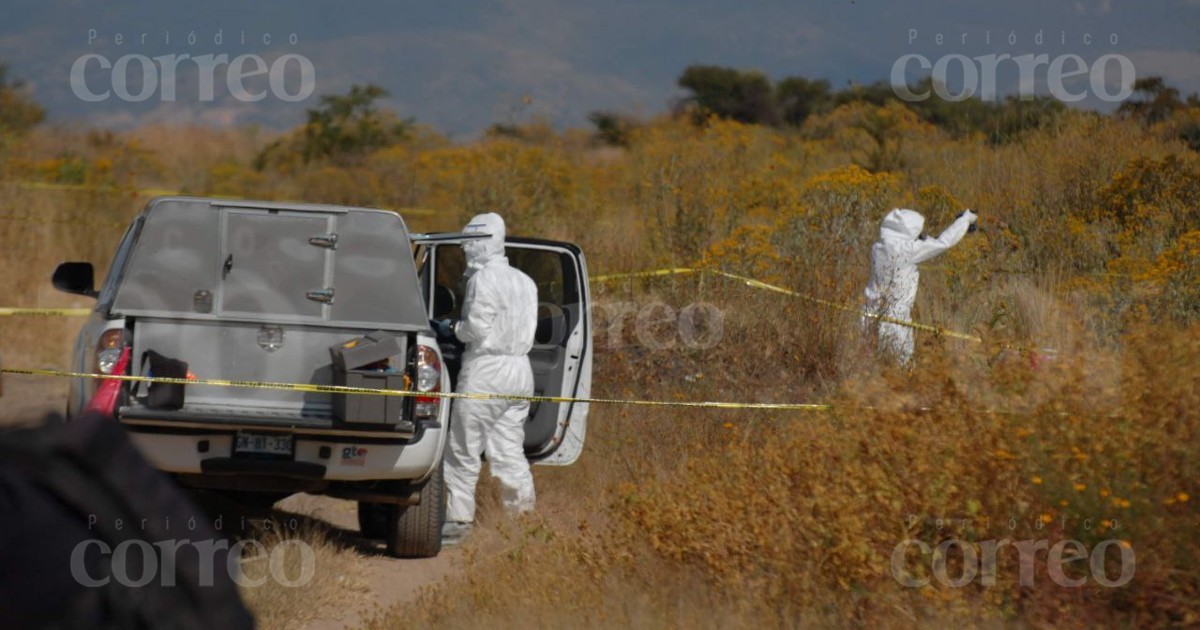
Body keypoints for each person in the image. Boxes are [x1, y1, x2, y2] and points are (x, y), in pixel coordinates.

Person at [433, 213, 539, 546]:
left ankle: (457, 521)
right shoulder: (525, 281)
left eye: (468, 244)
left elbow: (476, 329)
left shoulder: (484, 280)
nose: (466, 251)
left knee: (462, 450)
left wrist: (451, 329)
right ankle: (522, 525)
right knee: (509, 452)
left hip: (487, 371)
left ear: (480, 243)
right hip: (521, 372)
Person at [863, 208, 977, 364]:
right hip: (896, 322)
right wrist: (964, 220)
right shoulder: (908, 250)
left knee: (871, 368)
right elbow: (944, 242)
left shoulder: (877, 247)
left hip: (869, 316)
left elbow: (915, 245)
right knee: (901, 371)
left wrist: (923, 239)